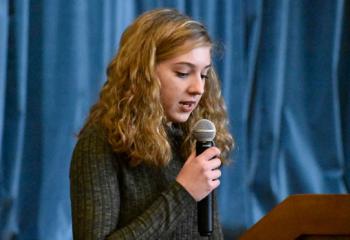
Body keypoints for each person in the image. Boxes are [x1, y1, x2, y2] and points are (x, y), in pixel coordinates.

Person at [69, 8, 234, 240]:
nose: (198, 88)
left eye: (204, 75)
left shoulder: (192, 140)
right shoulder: (99, 144)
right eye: (183, 73)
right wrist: (184, 193)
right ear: (143, 73)